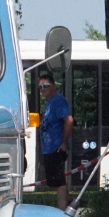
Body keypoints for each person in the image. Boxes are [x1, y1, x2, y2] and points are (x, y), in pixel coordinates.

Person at [38, 71, 75, 210]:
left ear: (53, 86)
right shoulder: (49, 103)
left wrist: (63, 143)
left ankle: (62, 213)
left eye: (46, 85)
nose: (43, 89)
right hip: (48, 147)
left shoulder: (58, 100)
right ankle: (69, 202)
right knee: (54, 180)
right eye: (40, 87)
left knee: (59, 181)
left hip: (56, 147)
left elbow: (69, 120)